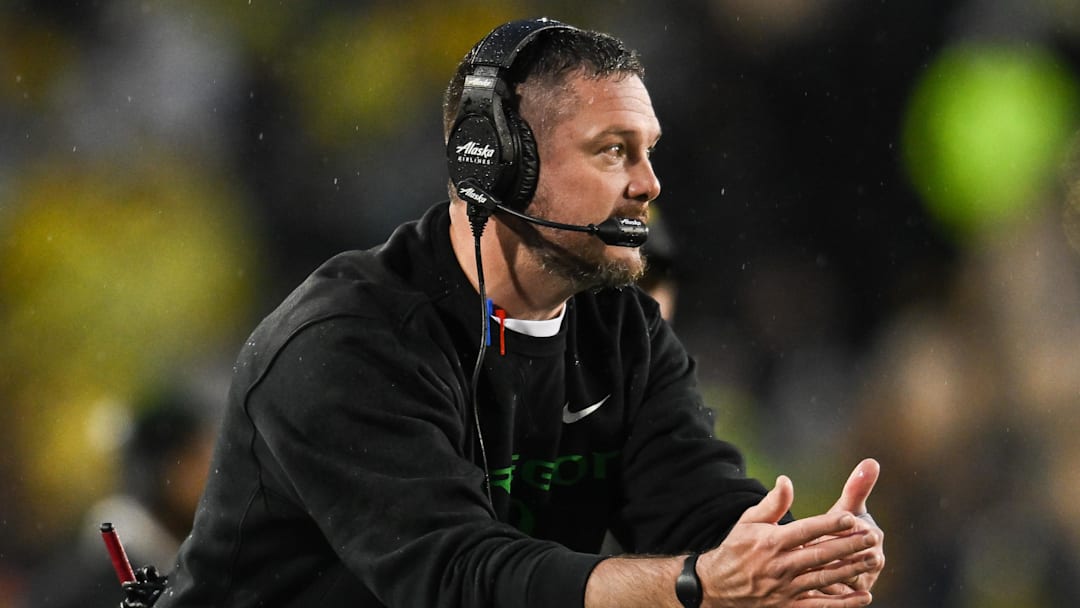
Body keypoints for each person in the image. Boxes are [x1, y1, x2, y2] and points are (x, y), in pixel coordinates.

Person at [158, 18, 884, 607]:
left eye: (648, 152)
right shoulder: (342, 346)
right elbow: (458, 579)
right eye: (612, 152)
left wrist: (799, 563)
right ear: (496, 166)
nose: (648, 183)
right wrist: (697, 584)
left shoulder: (619, 327)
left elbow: (694, 503)